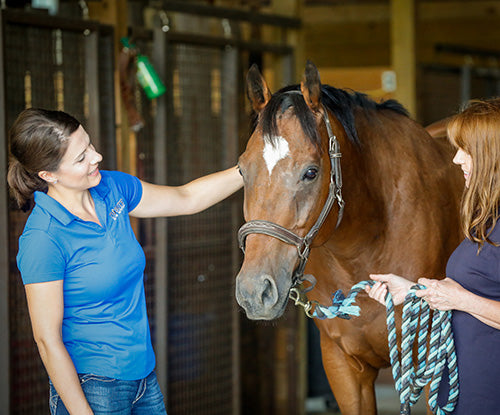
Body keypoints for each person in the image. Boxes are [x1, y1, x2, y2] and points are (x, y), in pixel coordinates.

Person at [8, 108, 243, 415]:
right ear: (48, 175)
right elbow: (47, 341)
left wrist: (251, 167)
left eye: (89, 145)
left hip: (143, 375)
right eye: (81, 158)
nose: (96, 157)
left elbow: (186, 198)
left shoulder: (110, 188)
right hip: (92, 386)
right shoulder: (43, 238)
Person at [365, 98, 500, 414]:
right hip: (462, 394)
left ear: (491, 154)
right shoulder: (487, 219)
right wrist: (411, 291)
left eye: (465, 149)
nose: (456, 160)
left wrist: (460, 300)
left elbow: (465, 298)